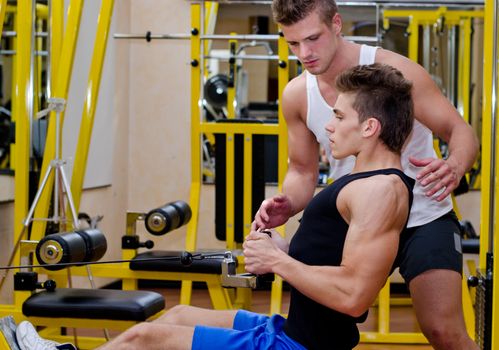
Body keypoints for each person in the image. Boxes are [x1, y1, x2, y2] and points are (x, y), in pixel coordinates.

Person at [97, 63, 415, 350]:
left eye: (339, 116)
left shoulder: (381, 190)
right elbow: (339, 256)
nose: (329, 126)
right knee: (177, 315)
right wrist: (287, 249)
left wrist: (277, 261)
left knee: (142, 340)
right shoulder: (367, 181)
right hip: (292, 328)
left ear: (370, 127)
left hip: (297, 345)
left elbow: (354, 297)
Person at [252, 1, 479, 349]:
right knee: (318, 330)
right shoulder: (297, 94)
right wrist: (288, 203)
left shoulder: (393, 72)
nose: (305, 53)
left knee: (442, 331)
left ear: (337, 24)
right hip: (357, 221)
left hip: (423, 214)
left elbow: (459, 131)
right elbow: (301, 170)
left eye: (313, 38)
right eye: (293, 44)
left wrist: (455, 165)